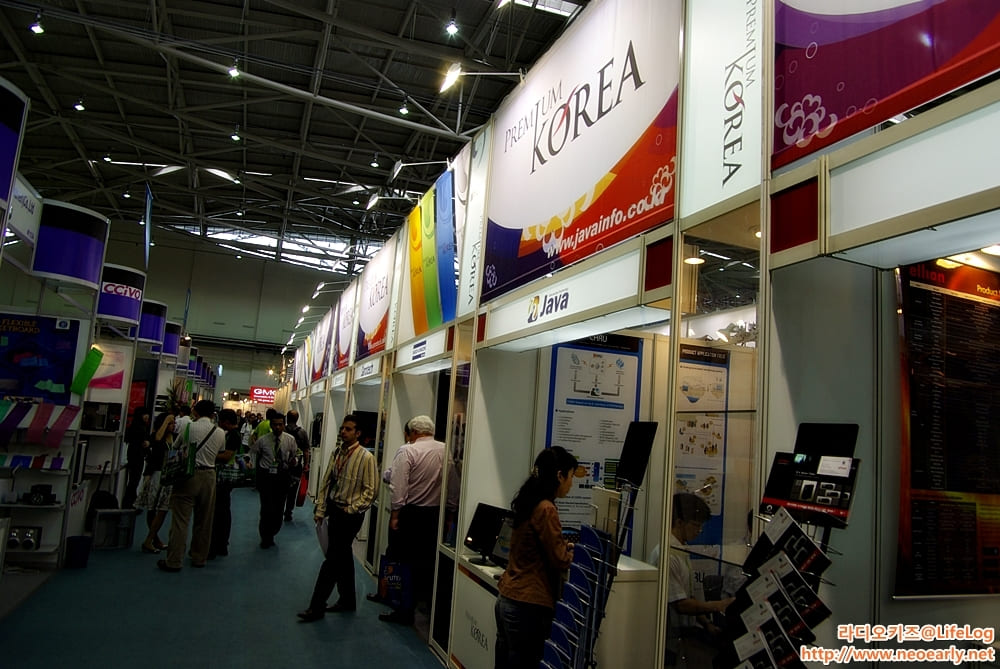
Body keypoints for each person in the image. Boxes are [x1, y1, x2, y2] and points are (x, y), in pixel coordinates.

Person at [494, 446, 577, 669]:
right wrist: (571, 554)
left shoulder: (528, 501)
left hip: (507, 598)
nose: (571, 484)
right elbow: (560, 559)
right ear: (559, 476)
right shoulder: (547, 509)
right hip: (528, 605)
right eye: (570, 476)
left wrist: (561, 546)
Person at [298, 414, 377, 622]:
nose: (343, 432)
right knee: (343, 556)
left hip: (350, 515)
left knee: (332, 560)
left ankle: (316, 606)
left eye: (348, 429)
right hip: (334, 510)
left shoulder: (366, 458)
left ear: (358, 433)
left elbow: (371, 491)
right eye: (342, 428)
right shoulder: (337, 453)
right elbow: (327, 481)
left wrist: (352, 509)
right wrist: (321, 509)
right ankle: (348, 600)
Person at [378, 415, 445, 625]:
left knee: (403, 562)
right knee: (425, 562)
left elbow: (398, 485)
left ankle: (403, 609)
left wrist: (395, 514)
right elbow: (452, 485)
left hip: (410, 514)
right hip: (434, 515)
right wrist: (450, 513)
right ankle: (424, 607)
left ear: (414, 432)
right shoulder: (445, 450)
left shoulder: (407, 450)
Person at [665, 492, 735, 668]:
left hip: (685, 635)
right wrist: (718, 605)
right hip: (670, 639)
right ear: (679, 523)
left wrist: (707, 623)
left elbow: (687, 595)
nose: (699, 531)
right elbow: (681, 605)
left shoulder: (681, 550)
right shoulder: (668, 554)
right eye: (696, 525)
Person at [157, 400, 225, 572]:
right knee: (204, 520)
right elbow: (220, 452)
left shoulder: (188, 428)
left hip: (188, 475)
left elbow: (175, 447)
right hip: (209, 476)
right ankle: (199, 557)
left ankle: (174, 561)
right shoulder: (219, 432)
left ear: (195, 412)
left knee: (180, 521)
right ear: (213, 414)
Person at [248, 412, 298, 548]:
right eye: (275, 424)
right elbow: (253, 453)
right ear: (271, 425)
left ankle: (273, 531)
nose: (277, 427)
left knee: (279, 508)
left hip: (282, 477)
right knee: (266, 508)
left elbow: (295, 455)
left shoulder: (290, 440)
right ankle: (265, 537)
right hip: (266, 477)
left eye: (280, 424)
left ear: (284, 425)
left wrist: (294, 461)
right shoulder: (263, 440)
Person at [135, 411, 175, 553]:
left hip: (168, 475)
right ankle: (151, 539)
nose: (173, 425)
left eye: (173, 423)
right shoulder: (157, 436)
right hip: (156, 474)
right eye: (170, 423)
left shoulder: (174, 437)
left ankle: (152, 539)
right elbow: (157, 439)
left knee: (163, 509)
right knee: (152, 508)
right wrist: (166, 421)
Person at [208, 408, 240, 559]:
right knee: (222, 511)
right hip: (224, 477)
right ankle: (221, 544)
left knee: (220, 512)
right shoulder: (231, 434)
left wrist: (208, 454)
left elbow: (227, 456)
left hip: (224, 478)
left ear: (226, 422)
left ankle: (217, 544)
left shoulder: (233, 435)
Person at [283, 409, 310, 522]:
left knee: (280, 488)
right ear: (297, 419)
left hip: (282, 465)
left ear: (287, 418)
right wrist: (306, 464)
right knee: (292, 490)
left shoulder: (282, 430)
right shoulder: (302, 432)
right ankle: (288, 512)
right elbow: (306, 451)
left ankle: (279, 509)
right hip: (296, 466)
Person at [121, 407, 151, 509]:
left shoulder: (135, 426)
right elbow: (142, 442)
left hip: (133, 455)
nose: (147, 416)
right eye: (145, 414)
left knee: (133, 480)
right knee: (134, 480)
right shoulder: (140, 428)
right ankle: (129, 503)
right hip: (137, 456)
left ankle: (130, 502)